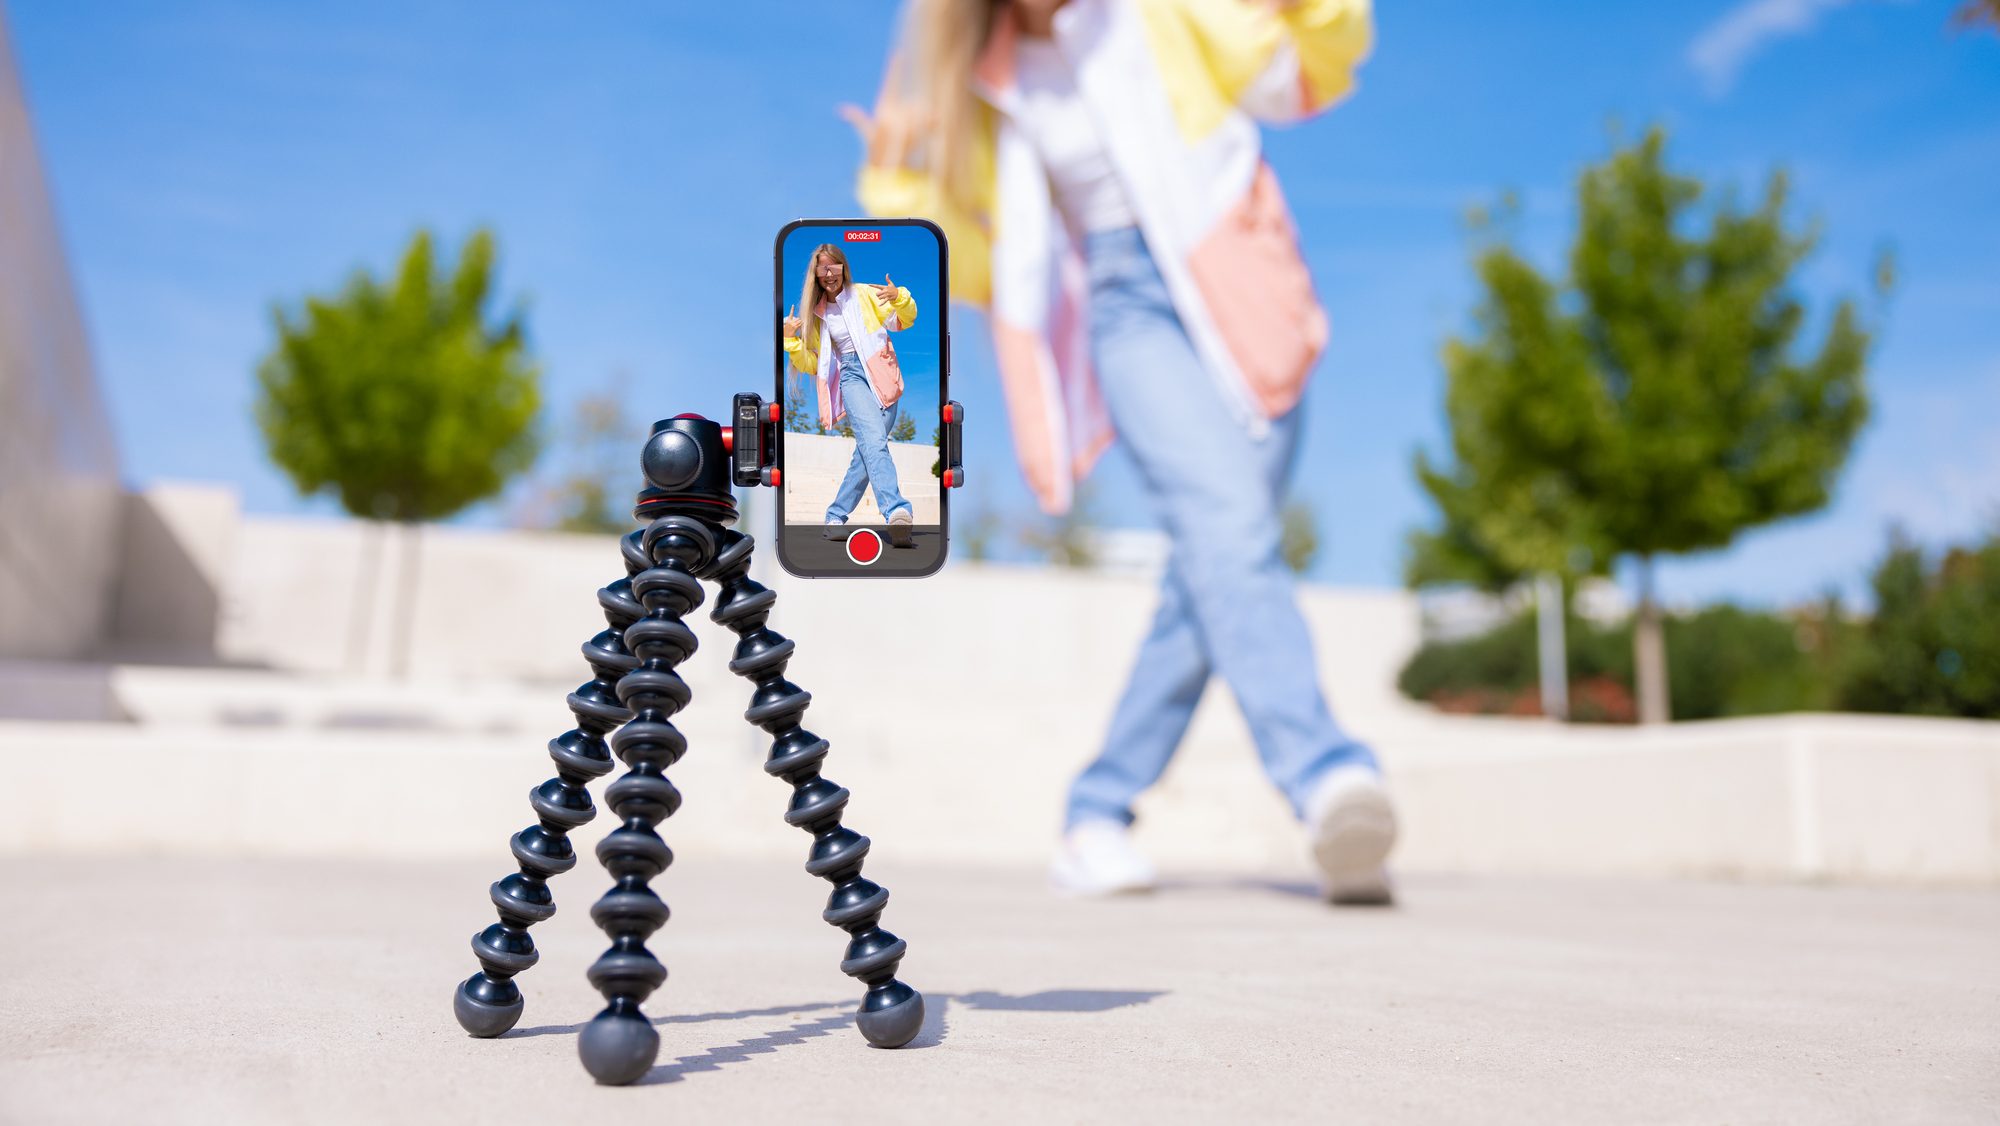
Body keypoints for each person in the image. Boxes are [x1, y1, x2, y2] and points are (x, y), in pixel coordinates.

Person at [843, 0, 1397, 903]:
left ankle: (1095, 813)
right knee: (1229, 530)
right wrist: (901, 190)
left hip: (1247, 284)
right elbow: (980, 265)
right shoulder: (980, 79)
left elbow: (1294, 79)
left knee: (1213, 569)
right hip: (1124, 306)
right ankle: (1328, 775)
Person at [785, 243, 921, 547]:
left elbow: (904, 320)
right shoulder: (818, 315)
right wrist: (790, 340)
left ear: (843, 268)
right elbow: (812, 363)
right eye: (824, 268)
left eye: (835, 266)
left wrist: (900, 297)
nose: (830, 273)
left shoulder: (864, 294)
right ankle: (897, 510)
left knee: (867, 453)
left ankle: (835, 516)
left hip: (884, 376)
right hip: (852, 376)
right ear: (816, 275)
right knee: (874, 442)